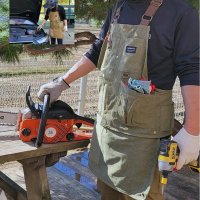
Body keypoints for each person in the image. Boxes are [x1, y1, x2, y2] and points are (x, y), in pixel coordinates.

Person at [37, 0, 199, 199]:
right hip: (107, 136)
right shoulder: (118, 7)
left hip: (144, 146)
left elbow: (192, 70)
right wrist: (62, 82)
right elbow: (98, 51)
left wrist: (192, 130)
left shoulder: (181, 12)